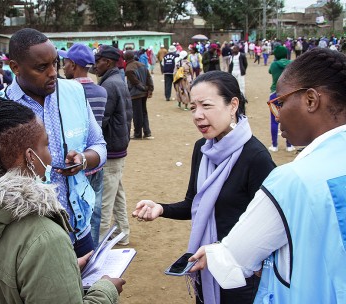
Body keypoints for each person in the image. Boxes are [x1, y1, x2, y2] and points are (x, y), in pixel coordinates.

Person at [188, 47, 346, 304]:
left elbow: (235, 256)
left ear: (311, 100)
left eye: (280, 103)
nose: (278, 115)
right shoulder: (202, 149)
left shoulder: (291, 180)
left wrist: (214, 253)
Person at [0, 96, 125, 304]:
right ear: (31, 157)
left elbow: (2, 280)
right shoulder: (45, 237)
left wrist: (60, 269)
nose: (50, 156)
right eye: (47, 145)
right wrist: (106, 290)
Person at [132, 71, 275, 304]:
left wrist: (221, 251)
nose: (198, 115)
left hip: (240, 276)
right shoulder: (202, 149)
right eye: (192, 107)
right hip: (205, 267)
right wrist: (161, 208)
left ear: (233, 105)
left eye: (206, 106)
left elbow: (266, 227)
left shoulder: (256, 157)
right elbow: (194, 204)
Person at [2, 28, 107, 258]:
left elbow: (99, 144)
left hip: (80, 229)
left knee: (89, 293)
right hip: (32, 239)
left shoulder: (74, 92)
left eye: (56, 63)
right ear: (15, 67)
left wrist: (84, 160)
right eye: (41, 67)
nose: (53, 73)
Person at [58, 42, 108, 247]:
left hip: (75, 167)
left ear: (73, 64)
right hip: (95, 160)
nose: (62, 67)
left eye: (65, 62)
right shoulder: (101, 91)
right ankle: (92, 250)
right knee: (94, 209)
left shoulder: (67, 93)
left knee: (74, 210)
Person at [93, 45, 132, 245]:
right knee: (117, 194)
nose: (95, 64)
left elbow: (102, 120)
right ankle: (123, 233)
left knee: (105, 201)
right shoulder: (117, 80)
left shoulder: (109, 85)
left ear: (107, 62)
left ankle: (99, 243)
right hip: (119, 147)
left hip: (111, 150)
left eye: (98, 60)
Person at [268, 46, 295, 152]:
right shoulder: (291, 64)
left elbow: (270, 71)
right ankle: (289, 145)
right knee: (289, 120)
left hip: (274, 94)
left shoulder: (274, 64)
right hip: (289, 94)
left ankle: (274, 146)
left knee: (274, 121)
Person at [124, 50, 154, 139]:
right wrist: (150, 89)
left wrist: (144, 88)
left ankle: (137, 134)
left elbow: (135, 82)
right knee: (144, 112)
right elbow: (149, 78)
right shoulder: (142, 65)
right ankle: (147, 132)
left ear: (125, 58)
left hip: (135, 94)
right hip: (143, 93)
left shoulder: (129, 68)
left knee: (137, 114)